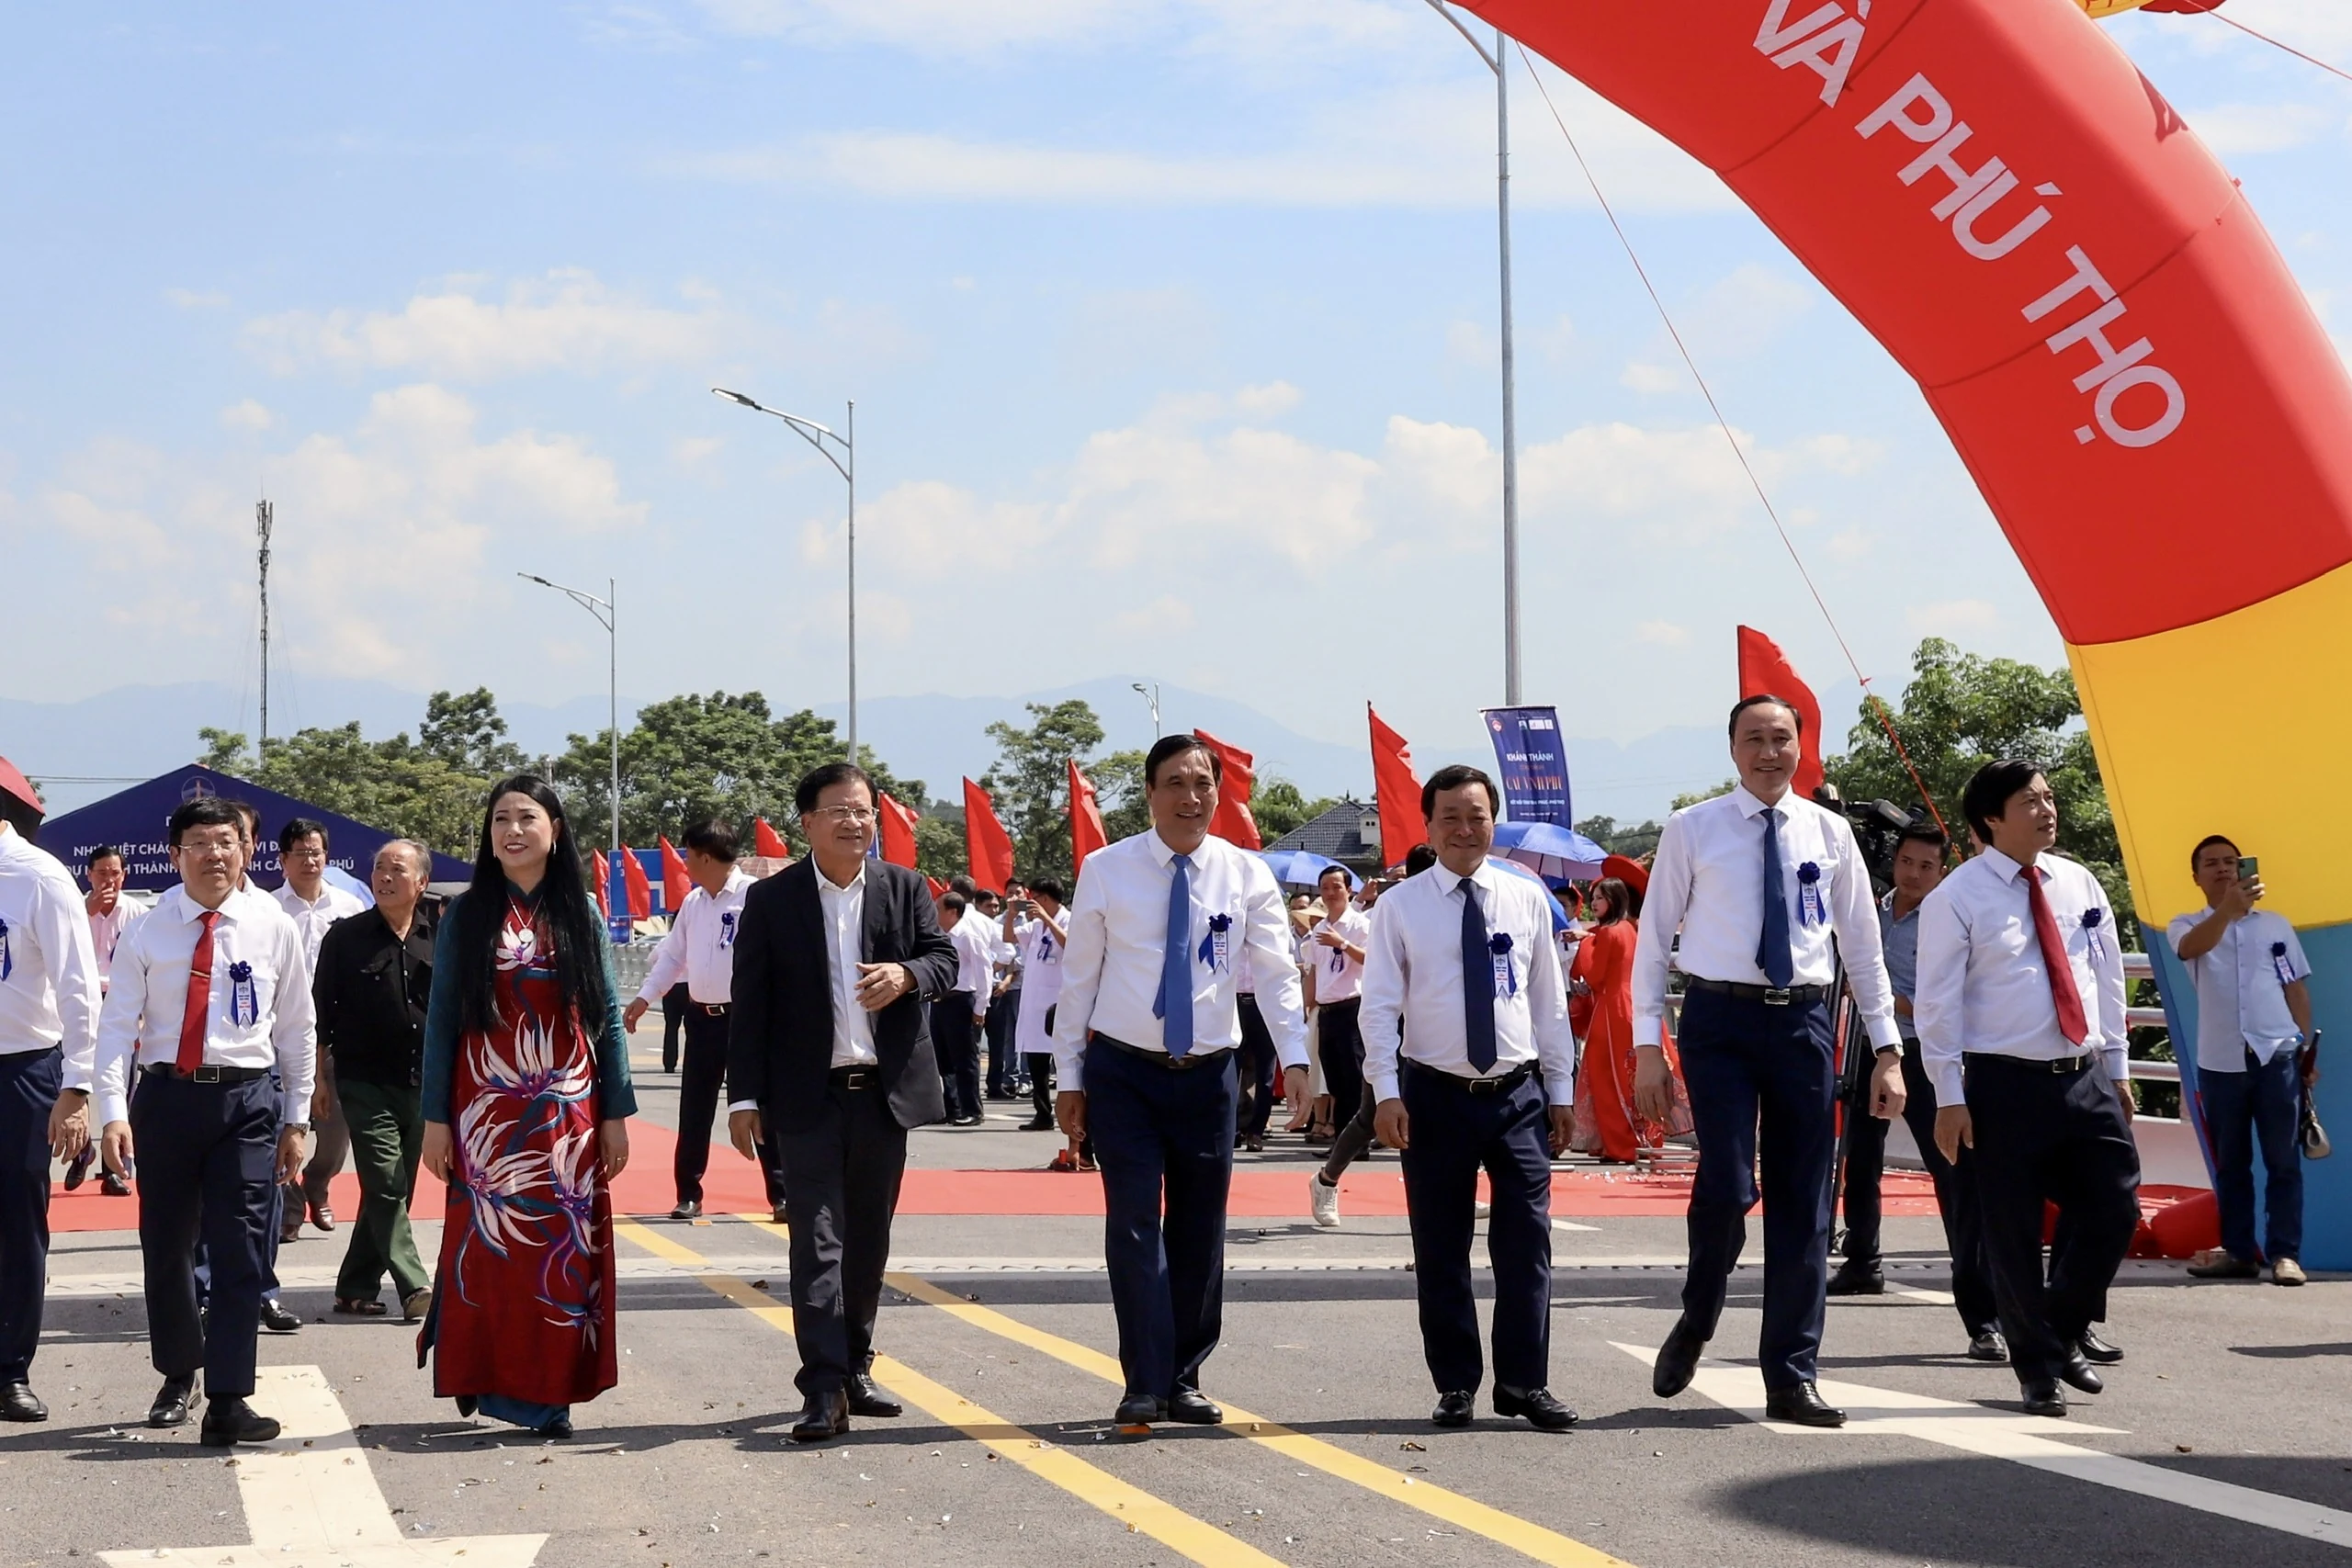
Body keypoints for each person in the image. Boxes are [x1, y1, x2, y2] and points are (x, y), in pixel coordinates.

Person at [1634, 695, 1905, 1429]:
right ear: (1731, 748)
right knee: (1726, 1181)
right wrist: (1645, 1046)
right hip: (1718, 1020)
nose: (1768, 751)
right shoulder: (1693, 829)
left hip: (1807, 1024)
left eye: (1781, 738)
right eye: (1754, 738)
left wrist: (1887, 1052)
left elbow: (1864, 949)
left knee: (1805, 1202)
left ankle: (1791, 1372)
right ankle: (1699, 1311)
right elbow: (1653, 943)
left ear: (1799, 746)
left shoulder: (1831, 832)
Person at [1052, 735, 1309, 1432]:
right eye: (1175, 783)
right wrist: (1068, 1076)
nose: (1190, 797)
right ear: (1150, 792)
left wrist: (1297, 1059)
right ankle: (1142, 1380)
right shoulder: (1107, 869)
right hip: (1125, 1072)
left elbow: (1279, 971)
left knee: (1200, 1229)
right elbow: (1078, 980)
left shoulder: (1246, 873)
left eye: (1202, 783)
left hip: (1210, 1074)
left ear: (1217, 792)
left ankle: (1184, 1375)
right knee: (1134, 1225)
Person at [726, 761, 958, 1441]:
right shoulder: (774, 901)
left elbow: (945, 959)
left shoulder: (905, 887)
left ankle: (856, 1359)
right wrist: (743, 1096)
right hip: (806, 1098)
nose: (855, 822)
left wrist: (907, 972)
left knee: (867, 1242)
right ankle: (823, 1385)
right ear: (808, 822)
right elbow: (752, 1007)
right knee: (817, 1239)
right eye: (840, 811)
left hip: (882, 1097)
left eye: (864, 811)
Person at [92, 796, 315, 1444]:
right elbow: (116, 1027)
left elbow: (298, 1027)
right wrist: (112, 1110)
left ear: (247, 850)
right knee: (167, 1247)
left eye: (227, 841)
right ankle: (176, 1373)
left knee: (242, 1247)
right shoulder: (148, 926)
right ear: (175, 854)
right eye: (199, 842)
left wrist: (296, 1117)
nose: (215, 853)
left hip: (246, 1102)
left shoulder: (272, 924)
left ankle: (228, 1397)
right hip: (166, 1100)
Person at [418, 777, 636, 1438]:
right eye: (500, 819)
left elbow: (608, 1019)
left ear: (556, 829)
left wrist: (615, 1111)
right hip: (485, 1116)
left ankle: (546, 1397)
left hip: (567, 1117)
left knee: (558, 1256)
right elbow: (442, 1021)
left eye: (527, 817)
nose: (512, 830)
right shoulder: (466, 915)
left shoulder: (583, 913)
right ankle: (479, 1368)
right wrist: (435, 1116)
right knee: (488, 1254)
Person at [1362, 767, 1579, 1431]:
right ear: (1427, 825)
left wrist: (1561, 1089)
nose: (1465, 829)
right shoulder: (1399, 907)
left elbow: (1549, 1002)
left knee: (1526, 1243)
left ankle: (1523, 1381)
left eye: (1477, 815)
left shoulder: (1525, 897)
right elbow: (1377, 1008)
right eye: (1450, 816)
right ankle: (1455, 1381)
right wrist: (1385, 1091)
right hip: (1433, 1094)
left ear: (1494, 820)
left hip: (1516, 1094)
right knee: (1441, 1243)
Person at [1919, 760, 2135, 1419]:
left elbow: (2107, 974)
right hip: (2001, 1085)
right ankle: (2037, 1370)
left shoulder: (2078, 880)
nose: (2046, 809)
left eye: (2048, 797)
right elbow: (1937, 1005)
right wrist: (1949, 1095)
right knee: (2010, 1232)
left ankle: (2060, 1326)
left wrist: (2120, 1066)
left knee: (2116, 1206)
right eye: (2029, 801)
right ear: (1991, 818)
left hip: (2084, 1074)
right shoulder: (1956, 896)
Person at [1823, 824, 2005, 1354]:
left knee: (1952, 1174)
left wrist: (1886, 1000)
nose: (1915, 874)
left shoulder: (1947, 915)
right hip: (1867, 1048)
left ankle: (1983, 1312)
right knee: (1860, 1161)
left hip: (1927, 1055)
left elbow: (1949, 998)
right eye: (1907, 861)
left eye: (1927, 866)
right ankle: (1862, 1262)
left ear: (1941, 870)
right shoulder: (1871, 909)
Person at [2168, 835, 2313, 1285]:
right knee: (2232, 1162)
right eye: (2211, 863)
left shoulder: (2275, 926)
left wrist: (2307, 1051)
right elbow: (2191, 949)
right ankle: (2238, 1251)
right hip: (2221, 1059)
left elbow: (2294, 987)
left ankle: (2285, 1253)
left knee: (2283, 1160)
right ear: (2196, 877)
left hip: (2277, 1054)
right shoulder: (2186, 923)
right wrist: (2227, 912)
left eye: (2230, 862)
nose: (2223, 869)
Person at [0, 801, 103, 1422]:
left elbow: (78, 984)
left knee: (16, 1222)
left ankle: (10, 1369)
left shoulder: (36, 874)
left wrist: (78, 1085)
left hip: (22, 1068)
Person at [621, 820, 778, 1222]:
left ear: (706, 856)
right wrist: (643, 997)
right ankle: (688, 1193)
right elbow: (673, 957)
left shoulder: (754, 897)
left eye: (688, 854)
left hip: (747, 1019)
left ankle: (782, 1194)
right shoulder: (693, 903)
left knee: (761, 1106)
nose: (685, 862)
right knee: (695, 1109)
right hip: (703, 1018)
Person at [313, 840, 436, 1322]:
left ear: (421, 883)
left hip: (421, 1080)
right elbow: (320, 1014)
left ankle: (355, 1287)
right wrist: (320, 1079)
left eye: (397, 869)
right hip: (363, 1080)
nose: (384, 876)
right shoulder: (345, 937)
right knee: (385, 1181)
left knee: (395, 1187)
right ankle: (414, 1284)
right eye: (378, 867)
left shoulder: (440, 936)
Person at [273, 819, 368, 1244]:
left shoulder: (349, 908)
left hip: (337, 1032)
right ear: (282, 861)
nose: (309, 861)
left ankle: (318, 1181)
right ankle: (290, 1205)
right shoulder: (268, 909)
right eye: (300, 853)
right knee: (284, 1123)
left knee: (335, 1128)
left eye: (316, 853)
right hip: (282, 1032)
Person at [1569, 877, 1687, 1164]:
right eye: (1593, 897)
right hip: (1633, 1007)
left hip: (1611, 1010)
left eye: (1599, 897)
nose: (1594, 903)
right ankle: (1644, 1138)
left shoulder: (1607, 934)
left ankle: (1619, 1145)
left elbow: (1595, 977)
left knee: (1607, 1079)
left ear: (1614, 899)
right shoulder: (1631, 929)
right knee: (1632, 1076)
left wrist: (1585, 948)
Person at [66, 844, 141, 1195]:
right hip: (82, 1000)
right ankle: (82, 1148)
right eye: (102, 874)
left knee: (121, 1086)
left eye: (115, 874)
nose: (109, 880)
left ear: (124, 875)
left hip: (122, 1002)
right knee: (74, 1079)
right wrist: (86, 913)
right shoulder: (74, 910)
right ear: (89, 875)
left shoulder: (138, 914)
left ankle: (115, 1167)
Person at [1302, 865, 1372, 1224]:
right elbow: (1312, 972)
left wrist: (1342, 943)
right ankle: (1342, 1143)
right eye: (1325, 888)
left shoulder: (1360, 925)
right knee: (1333, 1076)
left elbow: (1373, 961)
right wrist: (1307, 1006)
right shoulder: (1316, 930)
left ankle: (1356, 1142)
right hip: (1328, 1010)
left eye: (1336, 887)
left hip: (1354, 1008)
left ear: (1349, 890)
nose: (1331, 893)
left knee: (1355, 1076)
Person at [1008, 879, 1071, 1132]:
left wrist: (1047, 919)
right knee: (1037, 1062)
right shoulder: (1035, 926)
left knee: (1065, 1062)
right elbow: (1009, 937)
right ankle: (1042, 1113)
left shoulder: (1069, 918)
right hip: (1035, 1002)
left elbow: (1071, 943)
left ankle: (1069, 1114)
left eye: (1034, 898)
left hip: (1060, 1001)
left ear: (1045, 899)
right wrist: (1012, 915)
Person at [935, 891, 992, 1127]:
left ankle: (972, 1109)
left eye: (939, 909)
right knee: (943, 1058)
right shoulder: (939, 935)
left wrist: (980, 1007)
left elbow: (984, 970)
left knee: (965, 1059)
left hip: (962, 1000)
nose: (935, 913)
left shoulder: (967, 935)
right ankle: (951, 1107)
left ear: (953, 912)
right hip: (941, 1001)